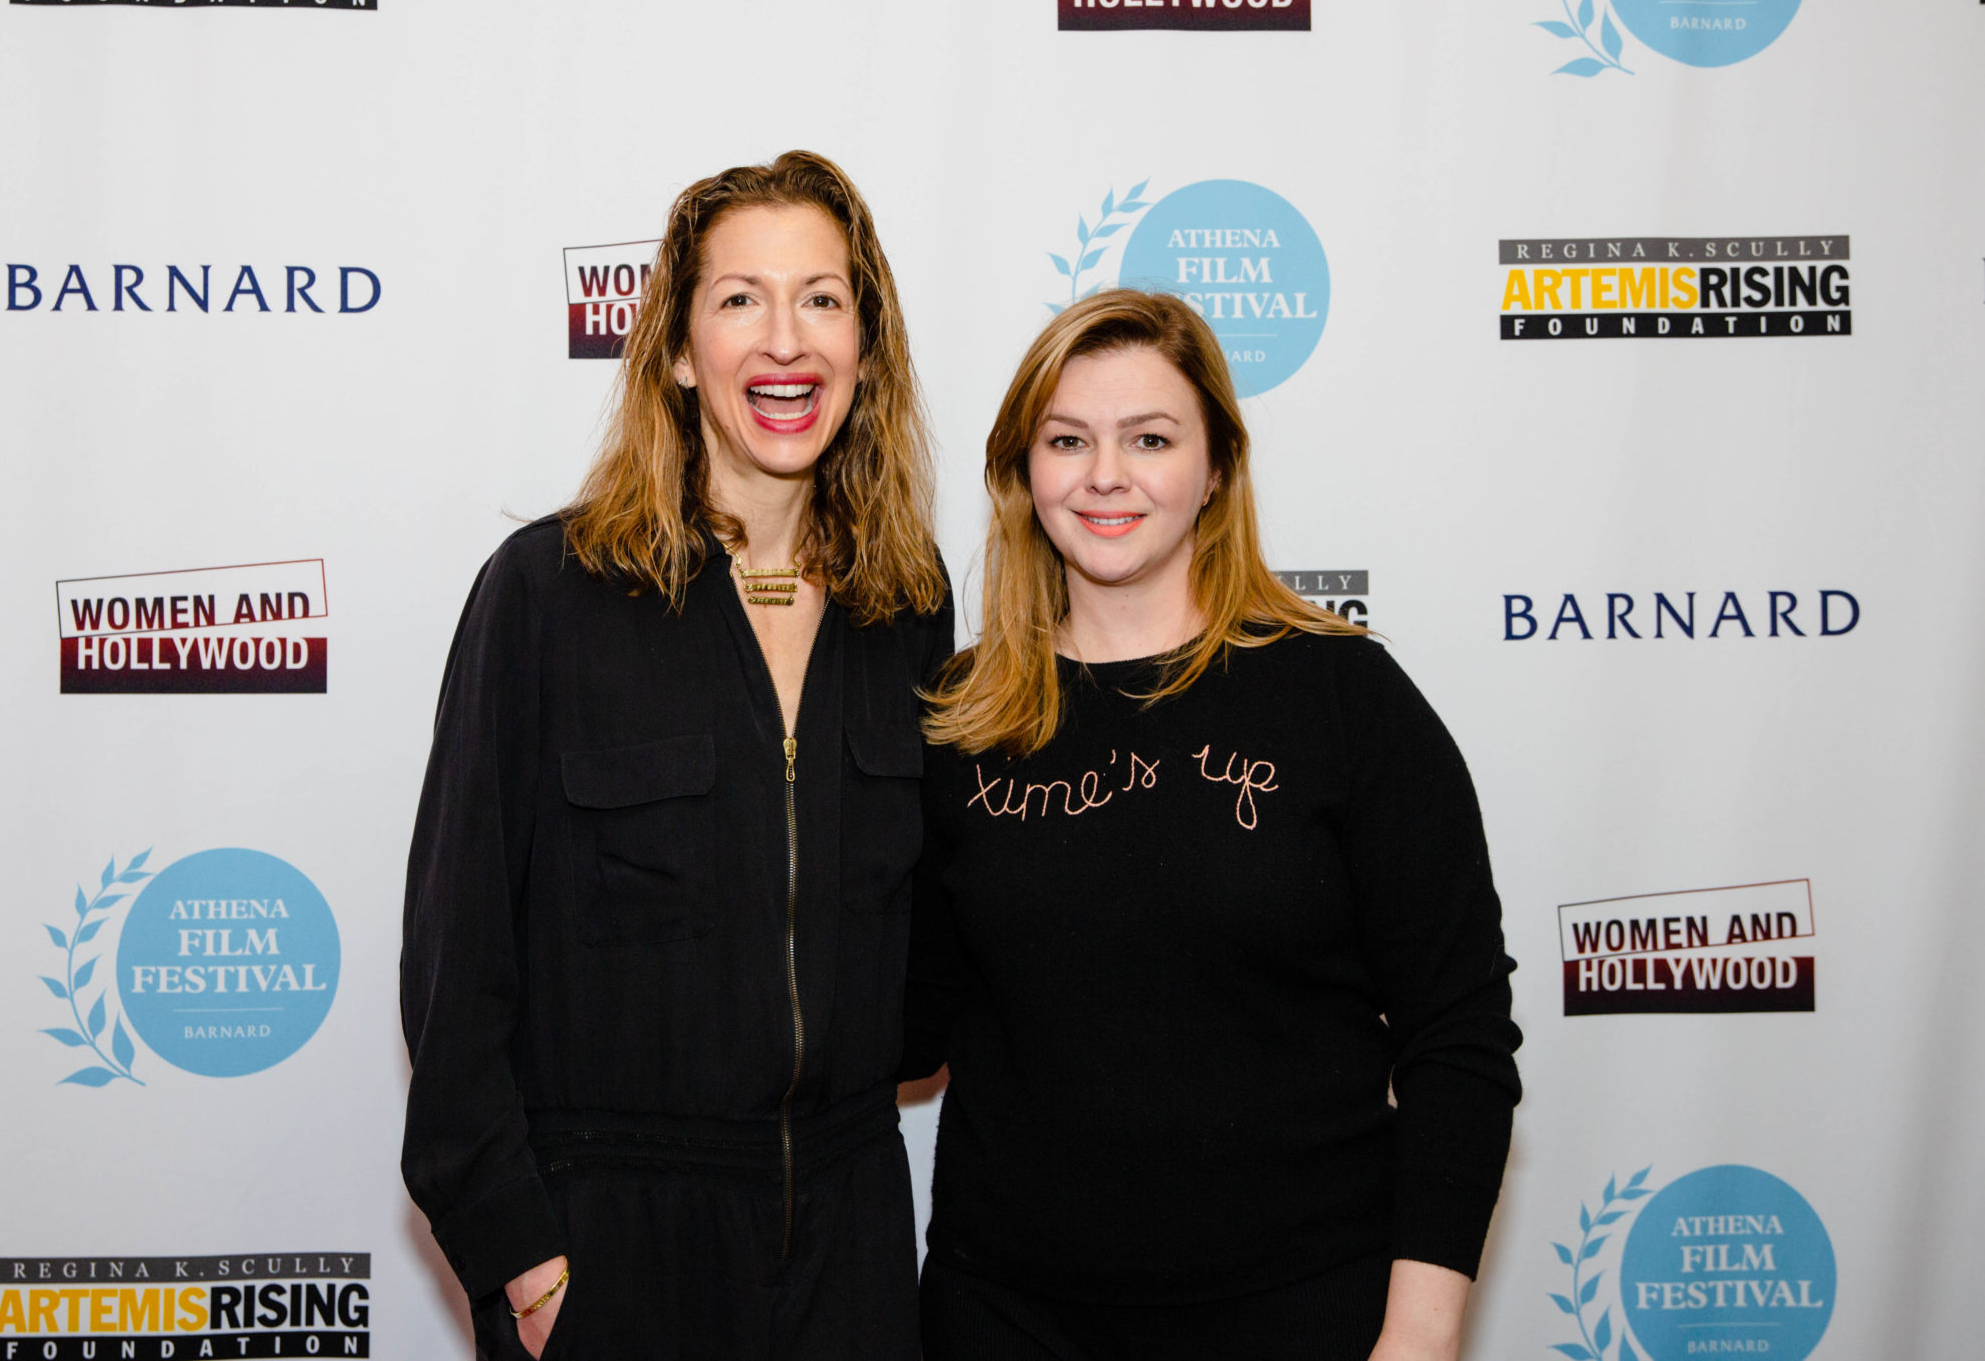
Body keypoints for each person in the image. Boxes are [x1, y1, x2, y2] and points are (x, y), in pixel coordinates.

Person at [401, 150, 951, 1361]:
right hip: (615, 1245)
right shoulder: (545, 595)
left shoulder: (905, 606)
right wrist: (524, 1267)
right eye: (740, 298)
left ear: (865, 347)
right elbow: (454, 968)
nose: (785, 340)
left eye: (821, 298)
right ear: (678, 349)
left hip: (851, 1241)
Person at [904, 289, 1521, 1361]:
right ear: (1021, 474)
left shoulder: (1343, 698)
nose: (1105, 475)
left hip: (1303, 1311)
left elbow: (1457, 1037)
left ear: (1218, 469)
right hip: (1006, 1316)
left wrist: (1419, 1336)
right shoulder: (958, 720)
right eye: (1067, 440)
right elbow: (903, 1027)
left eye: (1150, 439)